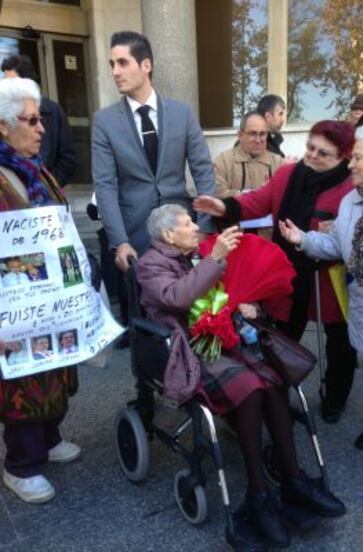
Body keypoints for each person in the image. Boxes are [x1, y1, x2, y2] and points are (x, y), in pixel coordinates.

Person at [137, 204, 345, 549]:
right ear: (167, 235)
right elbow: (178, 298)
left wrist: (246, 304)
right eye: (188, 223)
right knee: (249, 387)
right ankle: (258, 493)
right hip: (190, 348)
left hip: (224, 336)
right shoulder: (151, 265)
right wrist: (214, 259)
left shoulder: (197, 253)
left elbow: (226, 290)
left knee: (274, 380)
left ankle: (292, 479)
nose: (195, 227)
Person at [195, 121, 357, 424]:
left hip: (330, 275)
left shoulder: (352, 186)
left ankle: (335, 398)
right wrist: (223, 206)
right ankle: (277, 392)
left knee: (339, 341)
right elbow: (258, 200)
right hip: (288, 270)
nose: (312, 155)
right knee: (280, 335)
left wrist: (338, 229)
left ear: (344, 157)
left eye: (324, 153)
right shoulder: (287, 173)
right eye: (310, 147)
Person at [278, 121, 363, 466]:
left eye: (357, 157)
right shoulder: (354, 200)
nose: (350, 164)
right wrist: (304, 240)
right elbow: (338, 244)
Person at [0, 77, 80, 504]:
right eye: (31, 120)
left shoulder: (34, 167)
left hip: (49, 296)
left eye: (40, 118)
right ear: (3, 126)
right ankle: (20, 465)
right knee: (22, 380)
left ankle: (49, 438)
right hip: (13, 302)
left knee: (54, 367)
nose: (41, 128)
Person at [92, 31, 215, 272]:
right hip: (134, 236)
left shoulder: (182, 113)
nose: (115, 72)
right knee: (140, 306)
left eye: (123, 63)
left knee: (189, 303)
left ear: (146, 65)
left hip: (181, 230)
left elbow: (203, 171)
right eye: (112, 64)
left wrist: (204, 227)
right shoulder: (104, 122)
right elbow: (104, 185)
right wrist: (119, 242)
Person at [1, 55, 77, 187]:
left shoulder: (54, 111)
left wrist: (49, 187)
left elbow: (67, 158)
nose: (40, 129)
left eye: (12, 82)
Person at [214, 111, 282, 198]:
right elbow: (217, 194)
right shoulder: (223, 161)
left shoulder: (278, 162)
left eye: (262, 134)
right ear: (240, 135)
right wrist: (253, 194)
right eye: (253, 134)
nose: (258, 140)